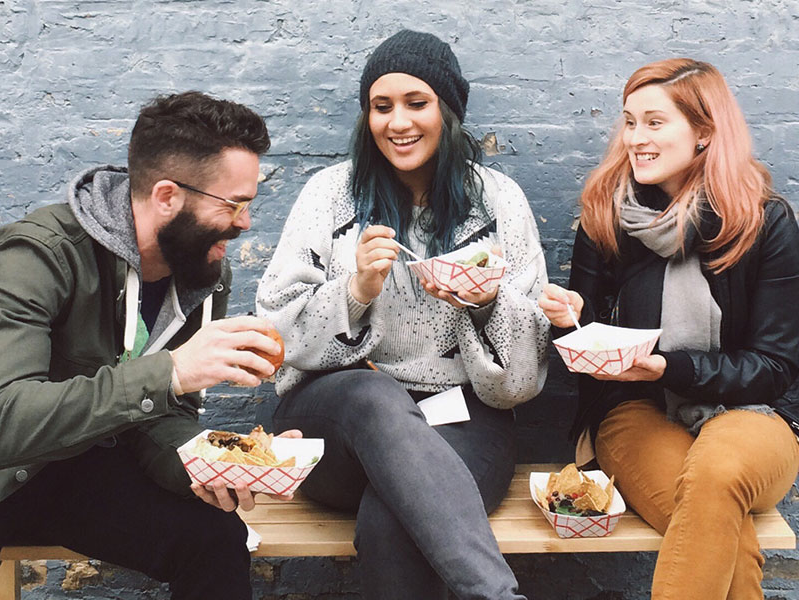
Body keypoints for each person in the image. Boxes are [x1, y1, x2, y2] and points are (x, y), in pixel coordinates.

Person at [256, 29, 549, 600]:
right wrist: (356, 289)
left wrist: (486, 302)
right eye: (381, 106)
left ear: (449, 112)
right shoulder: (328, 195)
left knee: (393, 523)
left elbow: (519, 381)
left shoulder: (499, 202)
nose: (398, 122)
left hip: (465, 417)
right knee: (377, 398)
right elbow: (274, 335)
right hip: (335, 420)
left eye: (417, 103)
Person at [0, 91, 288, 599]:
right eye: (233, 204)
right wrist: (170, 372)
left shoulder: (201, 274)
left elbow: (160, 415)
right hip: (8, 477)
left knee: (215, 536)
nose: (245, 222)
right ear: (167, 196)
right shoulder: (41, 255)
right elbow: (6, 419)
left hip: (76, 471)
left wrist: (207, 465)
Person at [539, 59, 799, 599]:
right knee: (723, 526)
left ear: (704, 132)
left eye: (654, 122)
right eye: (630, 122)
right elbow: (582, 353)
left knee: (718, 470)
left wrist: (671, 366)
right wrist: (569, 324)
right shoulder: (605, 215)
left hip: (754, 414)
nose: (635, 138)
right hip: (635, 410)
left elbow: (776, 367)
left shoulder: (765, 221)